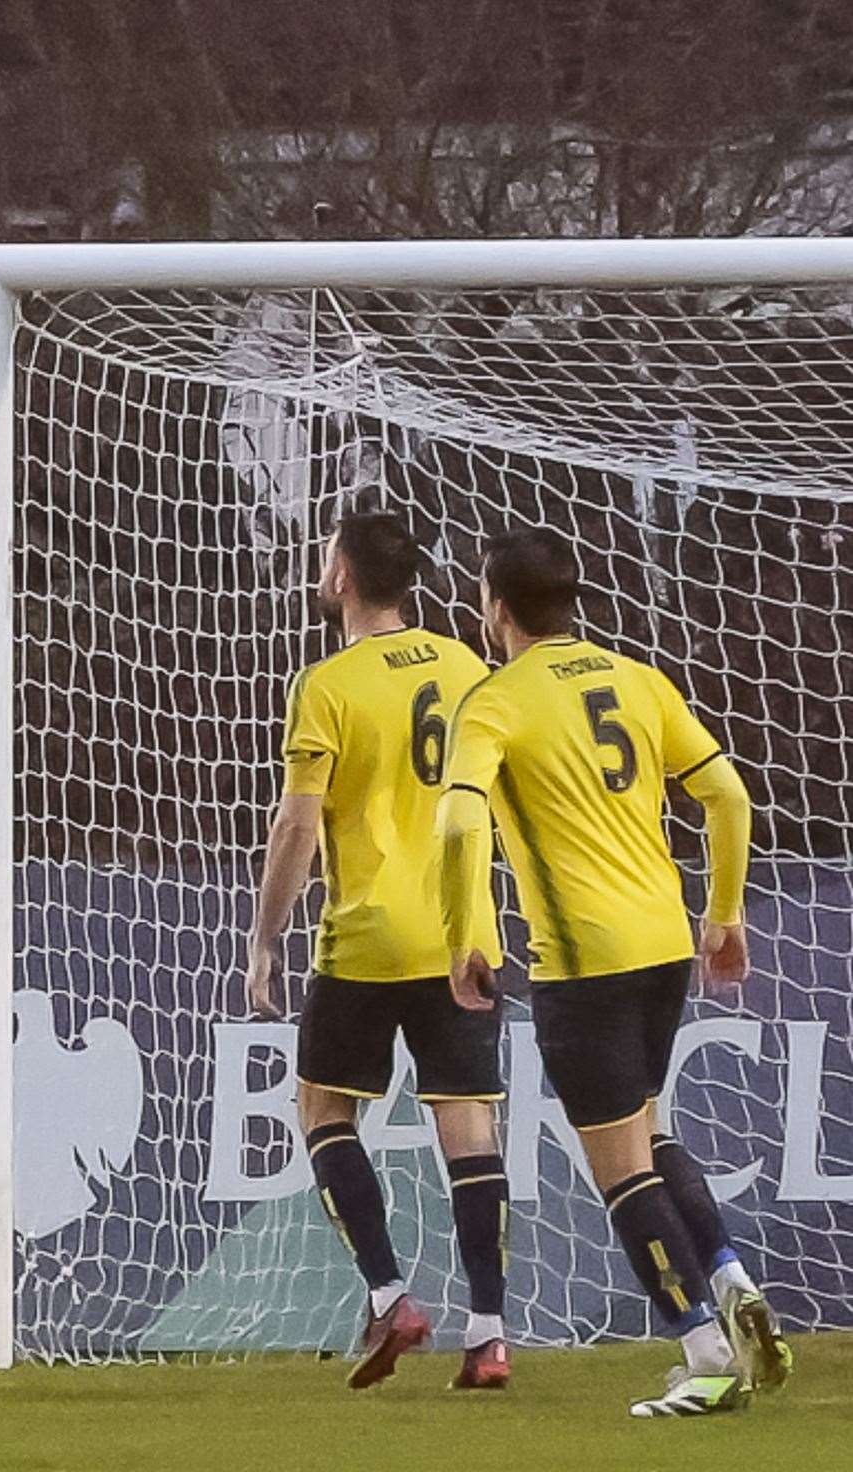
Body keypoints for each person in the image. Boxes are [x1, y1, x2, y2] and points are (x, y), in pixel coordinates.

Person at [437, 526, 792, 1419]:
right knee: (650, 1133)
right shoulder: (636, 679)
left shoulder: (494, 701)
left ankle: (704, 1355)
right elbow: (728, 795)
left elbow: (455, 824)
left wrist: (463, 937)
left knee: (620, 1169)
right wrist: (725, 914)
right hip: (664, 945)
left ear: (499, 608)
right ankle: (732, 1278)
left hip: (583, 962)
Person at [248, 511, 510, 1391]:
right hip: (462, 933)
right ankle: (490, 1332)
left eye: (328, 555)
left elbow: (297, 822)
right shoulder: (468, 666)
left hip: (366, 935)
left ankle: (391, 1293)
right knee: (468, 1126)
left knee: (323, 1114)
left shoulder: (330, 685)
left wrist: (264, 939)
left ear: (342, 577)